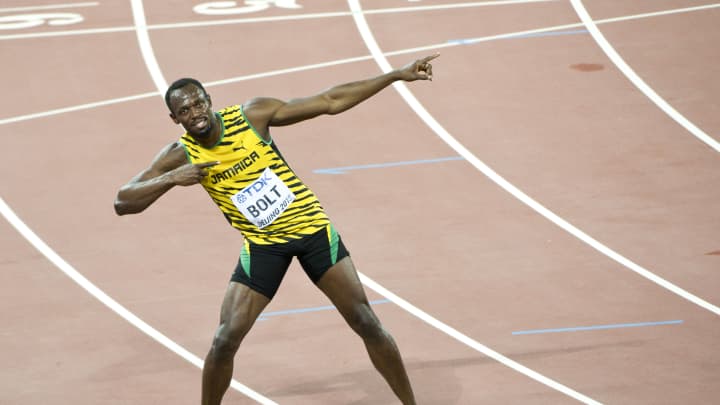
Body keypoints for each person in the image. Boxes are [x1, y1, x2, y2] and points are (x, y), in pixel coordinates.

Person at [114, 53, 439, 405]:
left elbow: (329, 101)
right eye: (185, 111)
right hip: (263, 245)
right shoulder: (180, 154)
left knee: (366, 321)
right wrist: (171, 179)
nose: (195, 114)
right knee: (224, 340)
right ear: (174, 118)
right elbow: (123, 201)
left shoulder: (252, 115)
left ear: (210, 101)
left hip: (312, 231)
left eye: (198, 103)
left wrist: (395, 75)